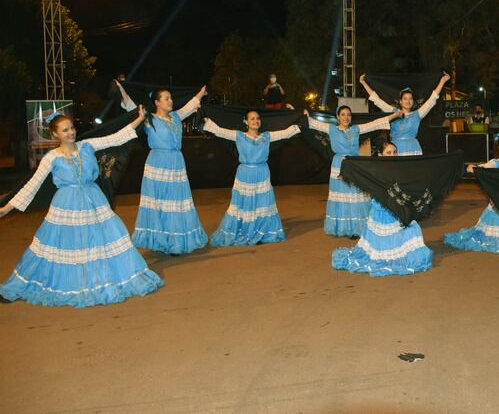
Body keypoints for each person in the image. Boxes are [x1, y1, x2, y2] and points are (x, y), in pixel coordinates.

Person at [0, 107, 164, 307]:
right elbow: (32, 186)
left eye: (71, 128)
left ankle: (99, 281)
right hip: (66, 205)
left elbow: (117, 138)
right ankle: (33, 284)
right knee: (62, 248)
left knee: (100, 243)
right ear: (55, 134)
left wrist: (138, 118)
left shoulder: (87, 145)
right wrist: (6, 208)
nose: (70, 133)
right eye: (65, 130)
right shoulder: (51, 157)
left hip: (94, 200)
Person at [331, 136, 433, 276]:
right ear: (380, 154)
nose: (393, 155)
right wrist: (349, 163)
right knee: (383, 249)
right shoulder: (374, 168)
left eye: (394, 152)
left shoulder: (401, 167)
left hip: (399, 209)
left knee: (413, 229)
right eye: (388, 153)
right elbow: (360, 171)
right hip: (382, 211)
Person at [203, 111, 301, 246]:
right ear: (246, 122)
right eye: (252, 119)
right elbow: (220, 131)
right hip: (245, 174)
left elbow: (285, 133)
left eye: (258, 118)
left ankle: (261, 232)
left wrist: (299, 117)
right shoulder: (239, 136)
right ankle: (246, 231)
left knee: (263, 205)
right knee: (245, 205)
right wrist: (208, 120)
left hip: (262, 173)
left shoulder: (267, 136)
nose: (256, 121)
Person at [132, 86, 209, 254]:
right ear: (157, 102)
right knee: (160, 202)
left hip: (176, 163)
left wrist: (201, 93)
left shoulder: (175, 116)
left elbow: (190, 107)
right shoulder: (149, 119)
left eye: (171, 98)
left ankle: (174, 240)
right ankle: (161, 239)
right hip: (157, 163)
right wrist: (121, 90)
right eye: (166, 98)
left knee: (176, 202)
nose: (171, 101)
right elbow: (129, 107)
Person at [305, 106, 402, 237]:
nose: (346, 117)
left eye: (349, 115)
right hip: (339, 165)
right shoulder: (331, 129)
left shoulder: (356, 129)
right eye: (343, 115)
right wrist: (305, 116)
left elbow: (375, 124)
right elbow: (313, 123)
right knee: (342, 196)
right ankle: (342, 227)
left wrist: (394, 116)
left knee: (355, 194)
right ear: (338, 117)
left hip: (353, 164)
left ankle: (356, 229)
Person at [359, 72, 450, 155]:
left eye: (410, 98)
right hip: (396, 149)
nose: (408, 101)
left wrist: (442, 81)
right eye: (405, 98)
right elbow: (377, 100)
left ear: (413, 101)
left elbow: (432, 99)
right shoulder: (393, 112)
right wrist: (364, 83)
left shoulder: (418, 114)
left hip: (413, 148)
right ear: (400, 101)